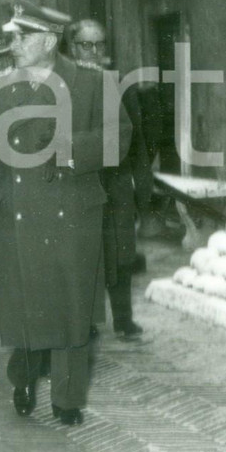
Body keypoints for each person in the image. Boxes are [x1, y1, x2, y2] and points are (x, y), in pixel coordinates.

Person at [0, 0, 131, 427]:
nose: (13, 44)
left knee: (72, 309)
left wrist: (68, 149)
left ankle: (67, 397)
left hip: (74, 215)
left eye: (21, 36)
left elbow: (119, 139)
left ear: (47, 40)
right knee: (27, 307)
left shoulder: (93, 82)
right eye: (12, 36)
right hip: (18, 215)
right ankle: (24, 376)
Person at [67, 19, 161, 340]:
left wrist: (140, 183)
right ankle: (87, 322)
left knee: (120, 253)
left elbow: (138, 137)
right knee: (86, 254)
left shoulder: (119, 82)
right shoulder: (64, 83)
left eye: (100, 45)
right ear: (72, 46)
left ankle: (124, 320)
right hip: (80, 181)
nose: (93, 52)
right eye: (86, 45)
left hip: (117, 182)